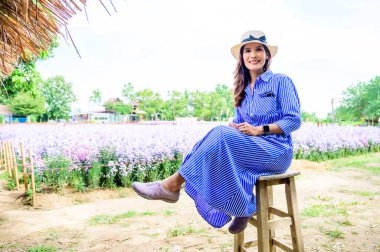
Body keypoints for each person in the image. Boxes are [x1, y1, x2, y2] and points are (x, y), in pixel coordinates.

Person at [132, 30, 301, 234]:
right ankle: (244, 208)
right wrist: (236, 128)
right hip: (250, 149)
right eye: (247, 50)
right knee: (216, 137)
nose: (253, 55)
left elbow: (293, 120)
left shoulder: (281, 81)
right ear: (242, 57)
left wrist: (259, 130)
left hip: (277, 151)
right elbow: (241, 124)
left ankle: (172, 185)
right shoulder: (243, 89)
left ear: (267, 55)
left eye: (259, 50)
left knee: (219, 134)